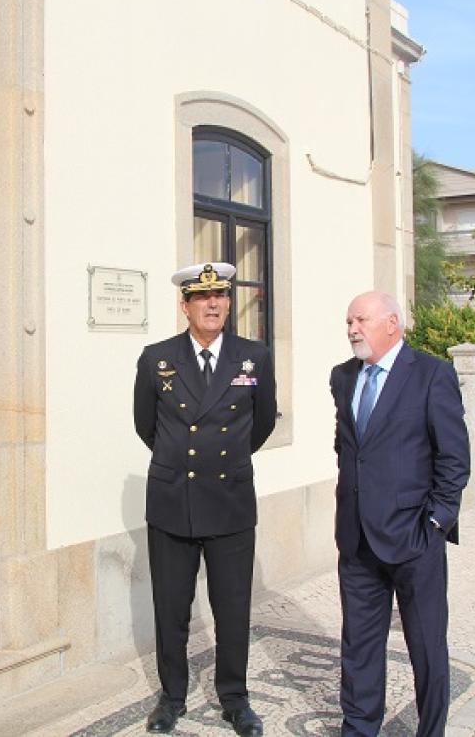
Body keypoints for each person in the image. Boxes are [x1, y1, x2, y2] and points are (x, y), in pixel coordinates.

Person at [133, 262, 277, 736]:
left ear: (229, 303)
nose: (213, 304)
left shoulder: (254, 357)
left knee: (232, 608)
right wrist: (181, 462)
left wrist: (229, 460)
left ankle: (235, 699)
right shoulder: (156, 358)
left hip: (231, 500)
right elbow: (146, 427)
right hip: (174, 500)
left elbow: (261, 425)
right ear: (185, 306)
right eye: (202, 297)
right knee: (171, 608)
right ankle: (172, 697)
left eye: (221, 297)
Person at [329, 291, 470, 736]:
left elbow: (454, 458)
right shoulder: (343, 377)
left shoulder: (431, 374)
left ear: (392, 323)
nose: (352, 329)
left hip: (414, 538)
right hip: (357, 541)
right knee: (359, 648)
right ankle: (359, 729)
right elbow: (349, 448)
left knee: (426, 647)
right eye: (349, 321)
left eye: (361, 320)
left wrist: (436, 522)